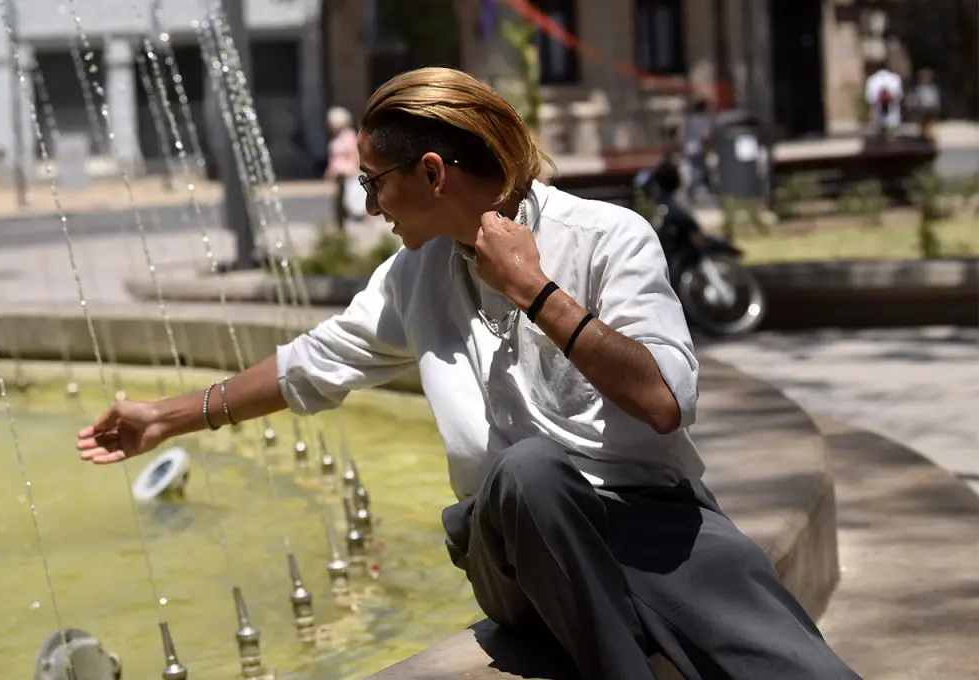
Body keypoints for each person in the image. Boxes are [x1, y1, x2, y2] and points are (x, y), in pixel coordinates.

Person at [77, 67, 861, 680]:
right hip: (513, 543)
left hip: (655, 520)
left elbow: (663, 403)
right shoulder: (411, 278)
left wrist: (536, 293)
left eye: (373, 180)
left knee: (794, 662)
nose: (372, 202)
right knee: (530, 472)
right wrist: (169, 416)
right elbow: (308, 366)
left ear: (430, 172)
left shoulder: (608, 239)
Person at [324, 105, 364, 229]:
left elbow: (354, 154)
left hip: (348, 173)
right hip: (338, 175)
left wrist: (355, 170)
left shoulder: (349, 136)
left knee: (350, 201)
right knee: (339, 202)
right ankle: (341, 228)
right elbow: (334, 157)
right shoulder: (335, 138)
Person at [864, 62, 904, 137]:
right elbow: (899, 96)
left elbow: (869, 97)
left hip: (887, 110)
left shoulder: (872, 79)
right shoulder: (895, 78)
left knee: (880, 135)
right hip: (882, 110)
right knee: (891, 134)